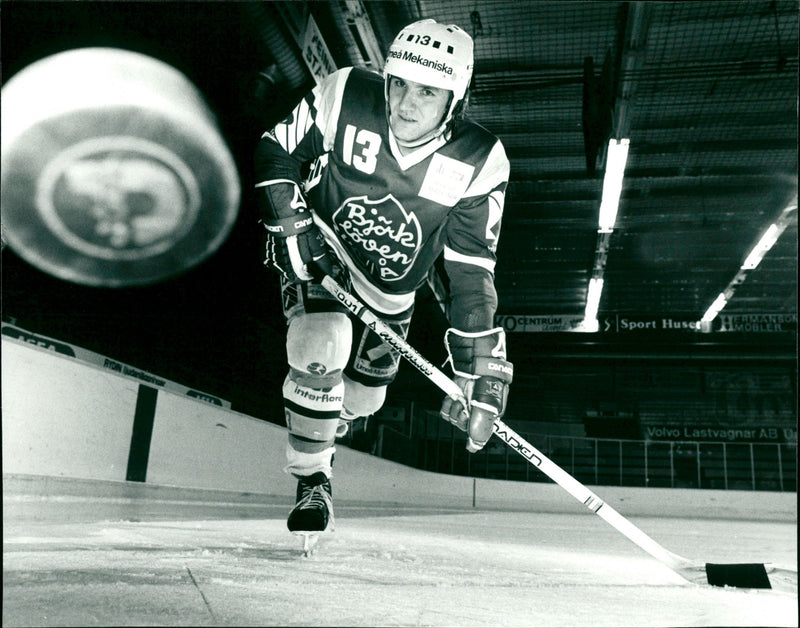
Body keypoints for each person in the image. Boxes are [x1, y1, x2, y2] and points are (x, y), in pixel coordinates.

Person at [254, 19, 514, 537]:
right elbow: (275, 150)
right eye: (398, 83)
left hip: (393, 293)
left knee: (367, 399)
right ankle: (312, 479)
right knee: (319, 343)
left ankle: (325, 422)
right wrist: (293, 227)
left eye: (426, 92)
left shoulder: (481, 160)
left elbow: (469, 269)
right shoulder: (346, 91)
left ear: (455, 100)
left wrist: (479, 364)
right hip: (323, 253)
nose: (404, 105)